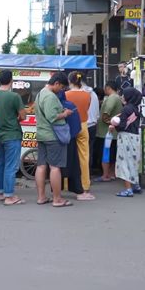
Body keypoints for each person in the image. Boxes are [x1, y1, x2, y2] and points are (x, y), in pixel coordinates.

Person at [34, 72, 73, 207]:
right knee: (55, 167)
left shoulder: (40, 93)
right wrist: (65, 113)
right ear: (56, 83)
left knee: (41, 166)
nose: (61, 90)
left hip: (42, 134)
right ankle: (57, 199)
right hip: (53, 136)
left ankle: (41, 197)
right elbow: (52, 117)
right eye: (61, 87)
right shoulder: (50, 97)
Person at [0, 70, 27, 206]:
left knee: (1, 163)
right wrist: (16, 118)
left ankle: (1, 192)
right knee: (11, 166)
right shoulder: (14, 96)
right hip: (12, 134)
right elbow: (23, 116)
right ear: (11, 80)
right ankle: (9, 196)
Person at [66, 71, 95, 201]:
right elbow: (87, 108)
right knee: (84, 156)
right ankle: (85, 185)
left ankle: (67, 184)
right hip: (83, 125)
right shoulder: (87, 95)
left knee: (69, 156)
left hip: (70, 126)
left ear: (70, 81)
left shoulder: (66, 95)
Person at [112, 88, 143, 197]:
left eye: (124, 95)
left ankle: (128, 189)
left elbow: (122, 126)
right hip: (135, 138)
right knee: (134, 162)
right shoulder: (136, 109)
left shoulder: (126, 109)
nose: (122, 97)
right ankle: (136, 185)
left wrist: (114, 126)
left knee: (124, 162)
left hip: (125, 138)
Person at [58, 89, 86, 200]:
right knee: (74, 165)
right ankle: (77, 189)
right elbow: (76, 124)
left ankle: (56, 190)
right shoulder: (71, 104)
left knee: (55, 167)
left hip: (54, 140)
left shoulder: (51, 104)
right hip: (70, 139)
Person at [94, 81, 122, 182]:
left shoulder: (112, 98)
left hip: (106, 133)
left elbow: (106, 112)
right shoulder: (117, 97)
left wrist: (108, 120)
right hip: (113, 133)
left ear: (108, 88)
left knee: (105, 154)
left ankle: (105, 175)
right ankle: (111, 173)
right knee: (112, 154)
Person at [83, 80, 100, 173]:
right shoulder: (94, 94)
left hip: (82, 125)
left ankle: (81, 175)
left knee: (80, 151)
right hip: (93, 125)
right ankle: (87, 174)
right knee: (89, 151)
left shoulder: (79, 94)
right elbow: (97, 114)